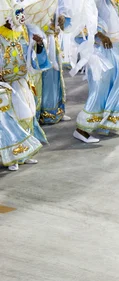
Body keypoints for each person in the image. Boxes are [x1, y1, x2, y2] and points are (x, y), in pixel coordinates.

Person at [72, 0, 119, 143]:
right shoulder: (98, 2)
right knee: (101, 89)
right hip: (104, 51)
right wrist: (100, 35)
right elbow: (85, 20)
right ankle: (82, 129)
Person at [0, 1, 50, 171]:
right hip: (6, 85)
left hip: (22, 82)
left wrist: (39, 45)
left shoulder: (24, 33)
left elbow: (33, 58)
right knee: (10, 120)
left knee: (28, 115)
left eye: (22, 12)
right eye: (18, 12)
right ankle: (12, 156)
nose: (22, 16)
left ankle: (25, 153)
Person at [31, 0, 72, 125]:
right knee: (42, 76)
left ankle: (54, 111)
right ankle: (41, 113)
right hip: (39, 41)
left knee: (55, 75)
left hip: (52, 40)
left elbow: (63, 10)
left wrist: (62, 18)